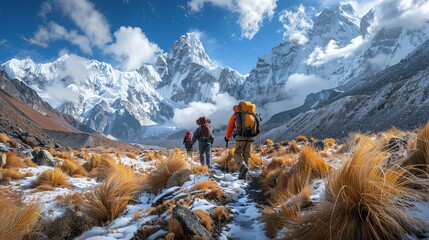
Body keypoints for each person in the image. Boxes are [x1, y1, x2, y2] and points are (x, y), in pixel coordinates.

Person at [225, 102, 260, 180]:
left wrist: (227, 138)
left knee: (237, 153)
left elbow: (230, 128)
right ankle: (245, 174)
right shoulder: (252, 114)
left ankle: (242, 167)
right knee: (246, 155)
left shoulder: (236, 115)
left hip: (241, 136)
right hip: (251, 136)